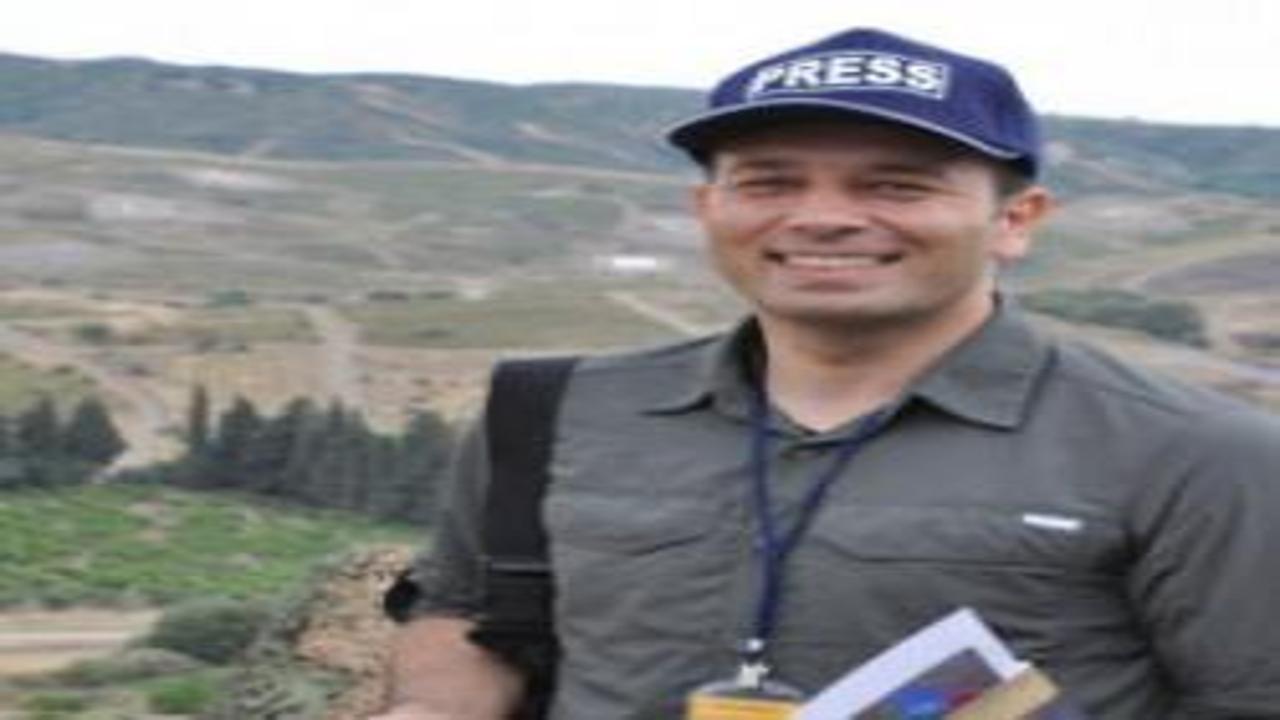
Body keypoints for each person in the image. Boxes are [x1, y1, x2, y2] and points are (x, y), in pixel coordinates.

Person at [372, 28, 1280, 720]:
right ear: (708, 207)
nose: (823, 217)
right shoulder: (549, 412)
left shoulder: (1200, 454)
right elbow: (467, 614)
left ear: (1016, 220)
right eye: (769, 182)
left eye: (898, 185)